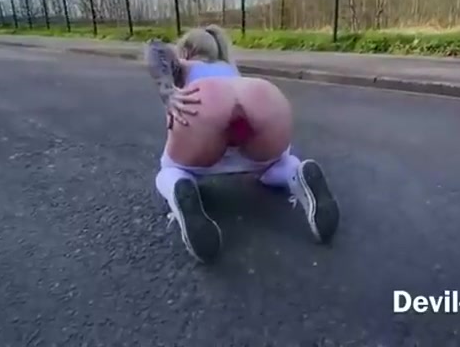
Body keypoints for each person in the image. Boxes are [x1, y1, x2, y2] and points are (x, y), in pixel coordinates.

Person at [145, 25, 340, 263]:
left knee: (171, 168)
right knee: (277, 161)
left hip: (207, 103)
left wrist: (167, 90)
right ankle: (297, 173)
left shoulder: (184, 64)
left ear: (186, 51)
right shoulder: (230, 69)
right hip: (262, 96)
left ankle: (180, 185)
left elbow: (155, 48)